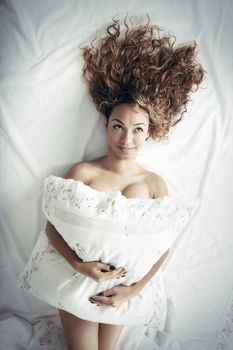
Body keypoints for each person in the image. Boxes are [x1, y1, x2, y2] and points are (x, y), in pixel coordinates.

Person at [19, 14, 205, 350]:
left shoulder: (154, 184)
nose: (127, 139)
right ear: (106, 124)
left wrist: (134, 290)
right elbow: (51, 229)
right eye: (118, 125)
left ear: (150, 132)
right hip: (77, 279)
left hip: (123, 289)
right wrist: (80, 266)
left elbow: (161, 248)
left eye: (138, 129)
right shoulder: (83, 173)